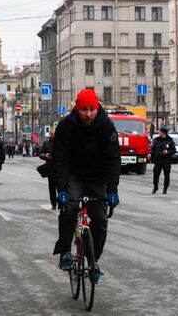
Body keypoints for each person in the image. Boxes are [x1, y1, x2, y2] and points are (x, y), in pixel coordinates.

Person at [52, 89, 120, 282]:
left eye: (92, 109)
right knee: (70, 208)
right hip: (74, 173)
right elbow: (60, 159)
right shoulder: (67, 126)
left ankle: (94, 259)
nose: (88, 114)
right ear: (77, 108)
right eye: (84, 110)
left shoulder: (106, 126)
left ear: (97, 108)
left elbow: (113, 159)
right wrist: (62, 189)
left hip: (97, 177)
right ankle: (65, 251)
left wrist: (113, 190)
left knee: (100, 218)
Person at [150, 127, 176, 195]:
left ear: (164, 133)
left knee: (166, 175)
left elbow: (174, 150)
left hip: (166, 160)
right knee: (156, 175)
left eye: (160, 132)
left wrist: (168, 151)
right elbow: (152, 148)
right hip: (158, 160)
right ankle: (155, 187)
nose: (159, 133)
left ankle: (165, 189)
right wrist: (150, 154)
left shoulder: (170, 141)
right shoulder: (156, 140)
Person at [39, 129, 58, 210]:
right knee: (52, 187)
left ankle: (61, 204)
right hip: (50, 168)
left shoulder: (61, 142)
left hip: (60, 168)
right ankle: (53, 204)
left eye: (54, 134)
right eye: (51, 134)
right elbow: (40, 154)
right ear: (50, 134)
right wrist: (45, 155)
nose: (53, 135)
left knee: (61, 187)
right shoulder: (46, 143)